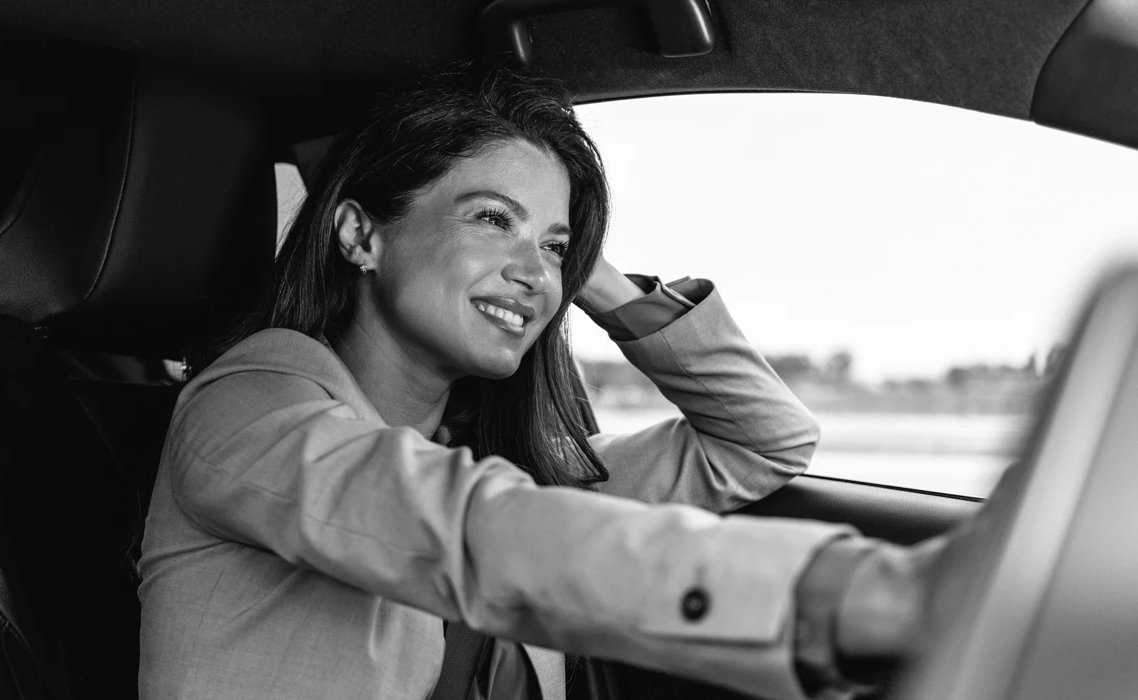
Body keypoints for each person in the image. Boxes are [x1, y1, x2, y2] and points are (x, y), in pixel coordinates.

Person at [137, 65, 928, 700]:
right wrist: (832, 599)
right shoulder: (247, 406)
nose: (533, 274)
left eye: (553, 246)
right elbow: (465, 531)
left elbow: (766, 442)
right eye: (491, 219)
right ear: (360, 234)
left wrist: (597, 280)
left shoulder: (507, 462)